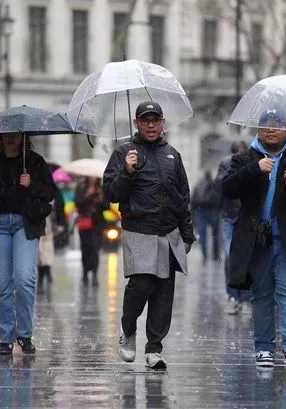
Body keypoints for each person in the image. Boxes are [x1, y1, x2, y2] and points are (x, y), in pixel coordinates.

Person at [222, 109, 286, 370]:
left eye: (277, 126)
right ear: (258, 130)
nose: (271, 130)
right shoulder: (245, 158)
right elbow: (227, 188)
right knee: (263, 295)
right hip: (257, 239)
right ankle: (264, 348)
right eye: (266, 126)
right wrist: (254, 170)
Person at [103, 101, 194, 370]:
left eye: (155, 120)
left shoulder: (172, 155)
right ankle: (128, 330)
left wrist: (187, 234)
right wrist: (127, 171)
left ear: (163, 122)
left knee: (163, 293)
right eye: (145, 120)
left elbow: (182, 197)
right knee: (141, 285)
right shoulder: (123, 153)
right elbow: (111, 194)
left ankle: (154, 348)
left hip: (169, 231)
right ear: (136, 124)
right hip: (139, 230)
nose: (151, 125)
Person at [0, 133, 56, 355]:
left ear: (23, 137)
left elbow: (50, 193)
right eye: (6, 135)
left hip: (25, 224)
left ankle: (24, 335)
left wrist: (31, 184)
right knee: (3, 284)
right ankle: (6, 338)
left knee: (25, 279)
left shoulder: (34, 162)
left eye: (15, 135)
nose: (10, 138)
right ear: (0, 137)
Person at [214, 140, 251, 315]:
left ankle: (245, 297)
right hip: (229, 216)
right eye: (237, 152)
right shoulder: (225, 164)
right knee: (229, 255)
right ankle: (232, 295)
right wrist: (232, 172)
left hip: (246, 216)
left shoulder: (253, 163)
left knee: (246, 258)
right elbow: (218, 186)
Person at [74, 176, 108, 287]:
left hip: (97, 223)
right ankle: (85, 273)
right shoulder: (81, 187)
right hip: (84, 222)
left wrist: (101, 200)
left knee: (95, 248)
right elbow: (77, 203)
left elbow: (107, 206)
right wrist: (87, 195)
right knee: (85, 248)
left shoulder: (101, 188)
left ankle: (94, 275)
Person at [191, 170, 220, 263]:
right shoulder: (214, 185)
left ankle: (204, 255)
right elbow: (219, 198)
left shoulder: (199, 185)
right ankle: (215, 255)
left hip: (200, 211)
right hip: (213, 211)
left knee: (202, 235)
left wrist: (192, 212)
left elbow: (193, 200)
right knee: (215, 235)